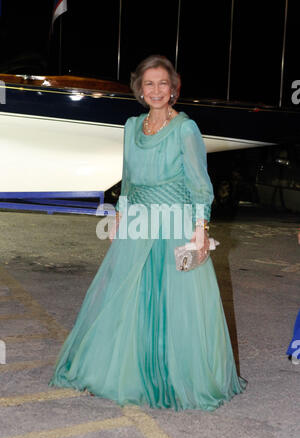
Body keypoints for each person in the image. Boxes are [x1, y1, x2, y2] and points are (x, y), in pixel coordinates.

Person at [49, 55, 246, 411]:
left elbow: (200, 185)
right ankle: (113, 372)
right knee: (125, 296)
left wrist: (200, 232)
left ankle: (173, 377)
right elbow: (128, 177)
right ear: (139, 88)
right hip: (138, 221)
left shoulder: (186, 128)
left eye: (163, 84)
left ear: (174, 88)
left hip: (175, 224)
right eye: (149, 84)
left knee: (175, 303)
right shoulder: (131, 126)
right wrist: (120, 216)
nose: (156, 90)